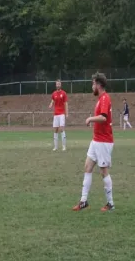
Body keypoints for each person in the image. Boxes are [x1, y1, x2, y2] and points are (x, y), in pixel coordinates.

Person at [73, 72, 114, 212]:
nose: (92, 87)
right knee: (88, 167)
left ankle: (110, 203)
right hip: (96, 140)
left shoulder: (104, 98)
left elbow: (103, 117)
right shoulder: (101, 99)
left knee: (103, 171)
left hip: (104, 141)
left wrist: (90, 119)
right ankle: (84, 201)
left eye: (93, 84)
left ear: (98, 85)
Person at [49, 79, 68, 151]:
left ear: (61, 85)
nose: (58, 85)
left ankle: (64, 146)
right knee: (55, 130)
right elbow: (53, 100)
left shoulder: (64, 93)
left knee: (62, 129)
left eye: (59, 84)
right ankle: (56, 147)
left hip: (62, 114)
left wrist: (66, 113)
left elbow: (66, 103)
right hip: (56, 114)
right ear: (55, 85)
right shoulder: (54, 94)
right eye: (57, 84)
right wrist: (51, 104)